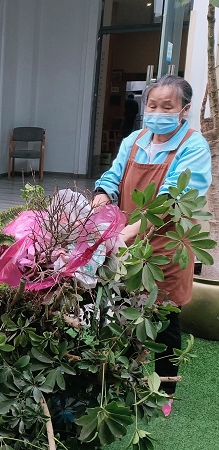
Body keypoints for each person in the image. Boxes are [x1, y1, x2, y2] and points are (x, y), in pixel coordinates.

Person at [93, 75, 211, 417]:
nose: (157, 112)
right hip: (129, 246)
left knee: (165, 321)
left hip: (166, 249)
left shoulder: (193, 147)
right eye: (152, 105)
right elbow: (114, 174)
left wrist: (132, 229)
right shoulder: (135, 139)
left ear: (184, 110)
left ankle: (166, 387)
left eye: (167, 107)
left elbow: (173, 197)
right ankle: (123, 377)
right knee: (122, 313)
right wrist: (104, 194)